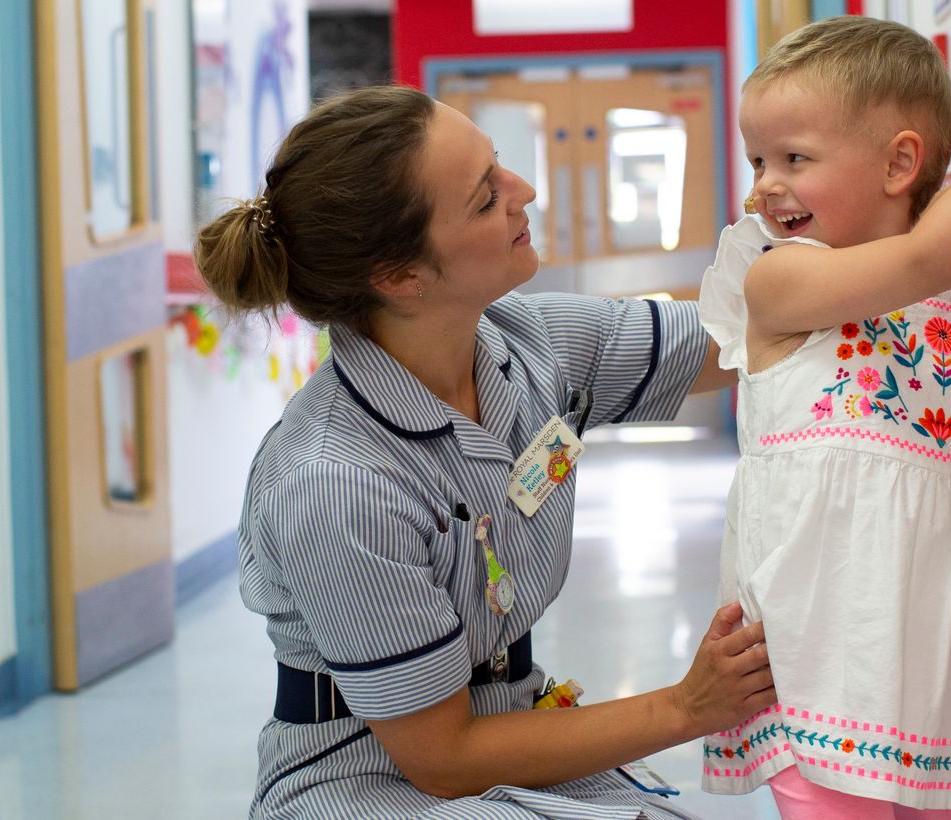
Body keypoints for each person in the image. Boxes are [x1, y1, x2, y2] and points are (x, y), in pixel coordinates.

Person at [197, 85, 777, 819]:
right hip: (364, 778)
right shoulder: (334, 482)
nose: (524, 191)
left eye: (498, 164)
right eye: (483, 198)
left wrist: (928, 261)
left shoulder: (526, 343)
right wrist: (689, 707)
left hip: (508, 730)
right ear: (401, 277)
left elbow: (743, 334)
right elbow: (443, 760)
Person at [694, 16, 951, 818]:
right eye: (759, 160)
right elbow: (930, 256)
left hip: (932, 648)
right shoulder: (780, 282)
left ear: (899, 163)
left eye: (794, 159)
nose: (762, 187)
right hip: (814, 640)